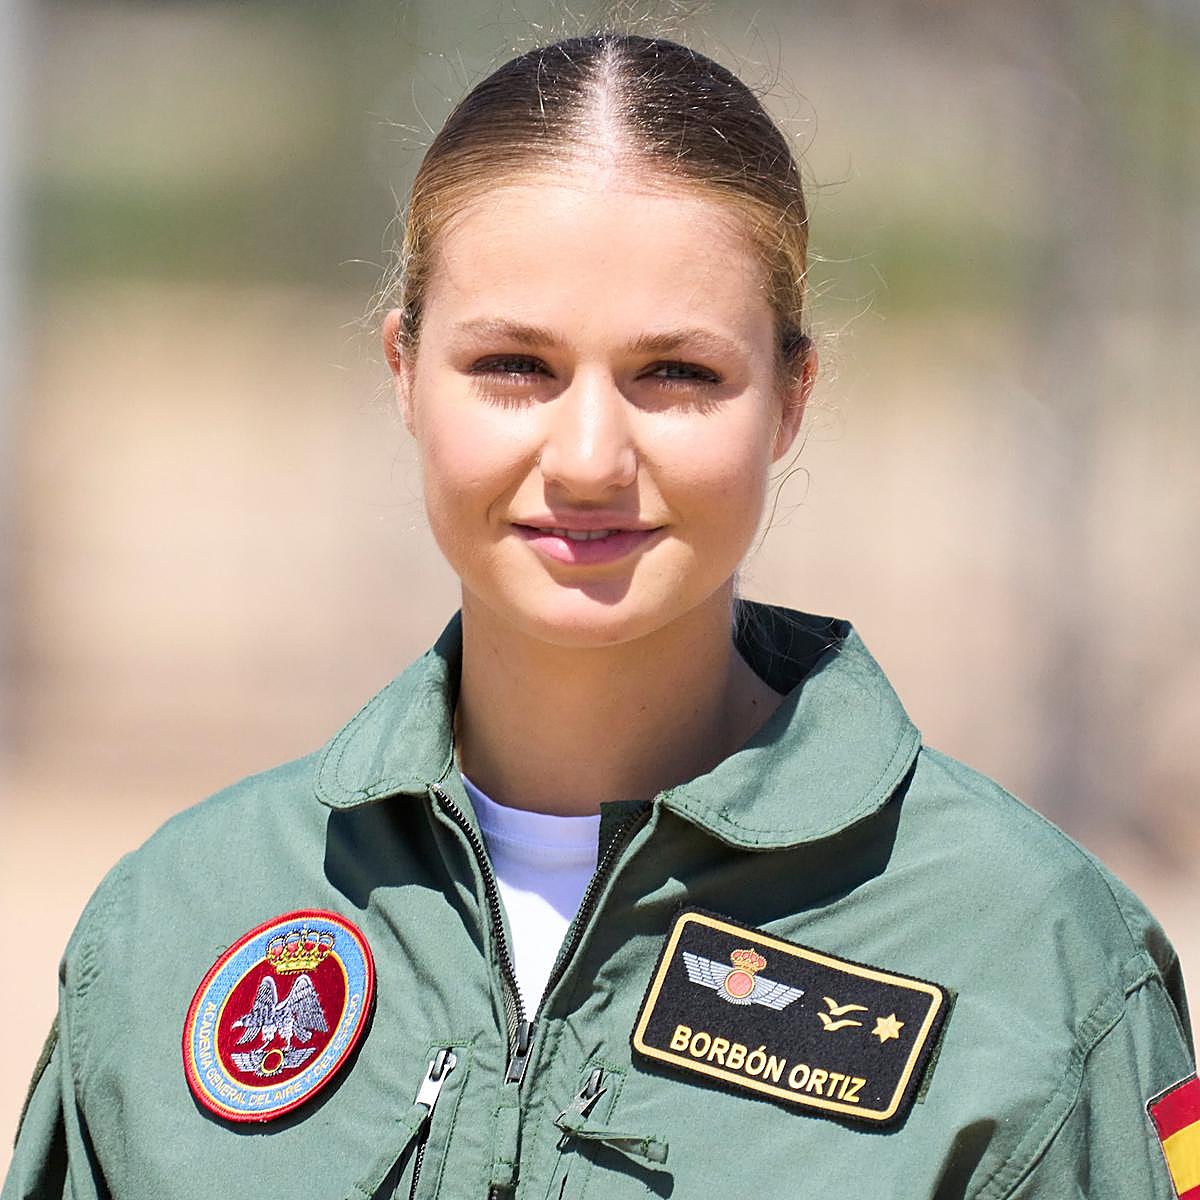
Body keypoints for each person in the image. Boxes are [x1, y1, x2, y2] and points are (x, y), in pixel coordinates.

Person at [5, 28, 1197, 1200]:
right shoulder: (177, 926)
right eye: (514, 367)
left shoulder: (1041, 970)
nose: (585, 457)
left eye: (676, 374)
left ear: (790, 400)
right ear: (402, 374)